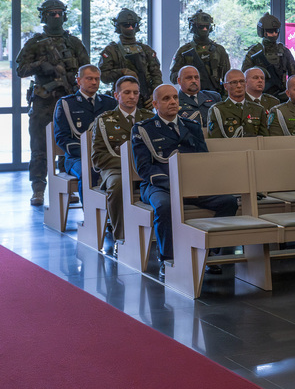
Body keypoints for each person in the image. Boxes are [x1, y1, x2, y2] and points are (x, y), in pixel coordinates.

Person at [131, 84, 239, 279]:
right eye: (166, 99)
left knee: (229, 201)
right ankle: (167, 258)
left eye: (175, 98)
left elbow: (203, 159)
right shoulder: (143, 129)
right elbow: (144, 168)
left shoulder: (191, 126)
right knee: (164, 206)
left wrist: (197, 184)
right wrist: (176, 186)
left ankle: (208, 252)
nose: (173, 102)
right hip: (158, 186)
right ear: (155, 104)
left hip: (192, 184)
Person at [16, 0, 89, 206]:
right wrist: (41, 65)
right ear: (43, 16)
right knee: (39, 147)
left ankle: (66, 186)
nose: (56, 17)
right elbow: (21, 69)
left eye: (59, 13)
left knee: (68, 145)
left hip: (68, 102)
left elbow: (86, 70)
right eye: (51, 13)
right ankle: (38, 189)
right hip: (44, 103)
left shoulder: (73, 43)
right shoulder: (35, 43)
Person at [90, 75, 153, 254]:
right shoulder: (105, 120)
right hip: (115, 170)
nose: (132, 97)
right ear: (116, 95)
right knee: (118, 186)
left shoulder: (148, 118)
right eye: (126, 92)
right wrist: (129, 164)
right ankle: (121, 236)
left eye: (135, 93)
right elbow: (98, 157)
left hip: (146, 170)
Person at [53, 64, 117, 198]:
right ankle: (90, 215)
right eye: (89, 78)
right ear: (79, 81)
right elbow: (61, 137)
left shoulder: (109, 103)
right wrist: (89, 154)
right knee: (89, 171)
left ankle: (114, 213)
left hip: (106, 156)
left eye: (97, 79)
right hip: (76, 158)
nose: (94, 82)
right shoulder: (66, 104)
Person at [97, 7, 162, 108]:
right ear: (119, 27)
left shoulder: (145, 49)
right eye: (126, 25)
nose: (131, 28)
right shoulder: (111, 51)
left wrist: (154, 95)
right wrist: (122, 72)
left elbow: (156, 75)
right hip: (121, 100)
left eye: (134, 25)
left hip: (145, 101)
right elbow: (103, 76)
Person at [169, 9, 229, 96]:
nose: (204, 29)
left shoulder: (219, 50)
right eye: (201, 27)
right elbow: (173, 78)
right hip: (190, 97)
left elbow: (227, 78)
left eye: (207, 26)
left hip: (215, 95)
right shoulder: (184, 51)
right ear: (194, 27)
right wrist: (187, 75)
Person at [241, 13, 295, 101]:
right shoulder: (254, 52)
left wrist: (289, 91)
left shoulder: (284, 52)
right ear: (263, 32)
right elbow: (244, 78)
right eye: (270, 31)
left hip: (282, 96)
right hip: (258, 97)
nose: (274, 34)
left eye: (276, 31)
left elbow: (294, 76)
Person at [207, 69, 269, 138]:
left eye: (242, 81)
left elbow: (265, 139)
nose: (239, 85)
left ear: (246, 83)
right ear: (225, 86)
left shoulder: (258, 109)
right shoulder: (218, 110)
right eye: (234, 82)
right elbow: (215, 141)